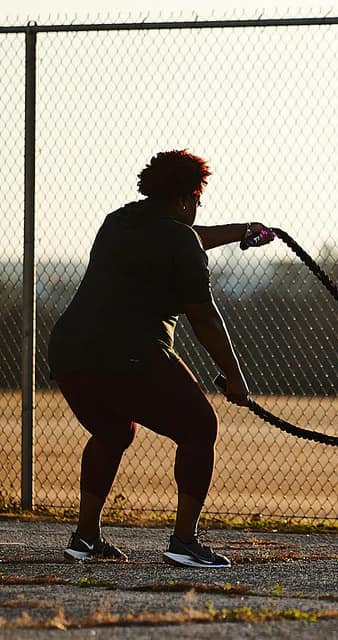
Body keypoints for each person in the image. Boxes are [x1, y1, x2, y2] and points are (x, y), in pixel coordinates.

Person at [48, 150, 274, 568]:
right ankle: (184, 543)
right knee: (200, 426)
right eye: (197, 200)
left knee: (114, 431)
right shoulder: (177, 238)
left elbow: (185, 237)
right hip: (130, 353)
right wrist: (236, 377)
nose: (197, 208)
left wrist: (244, 230)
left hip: (69, 350)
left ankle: (84, 539)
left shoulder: (121, 220)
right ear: (187, 197)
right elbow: (204, 318)